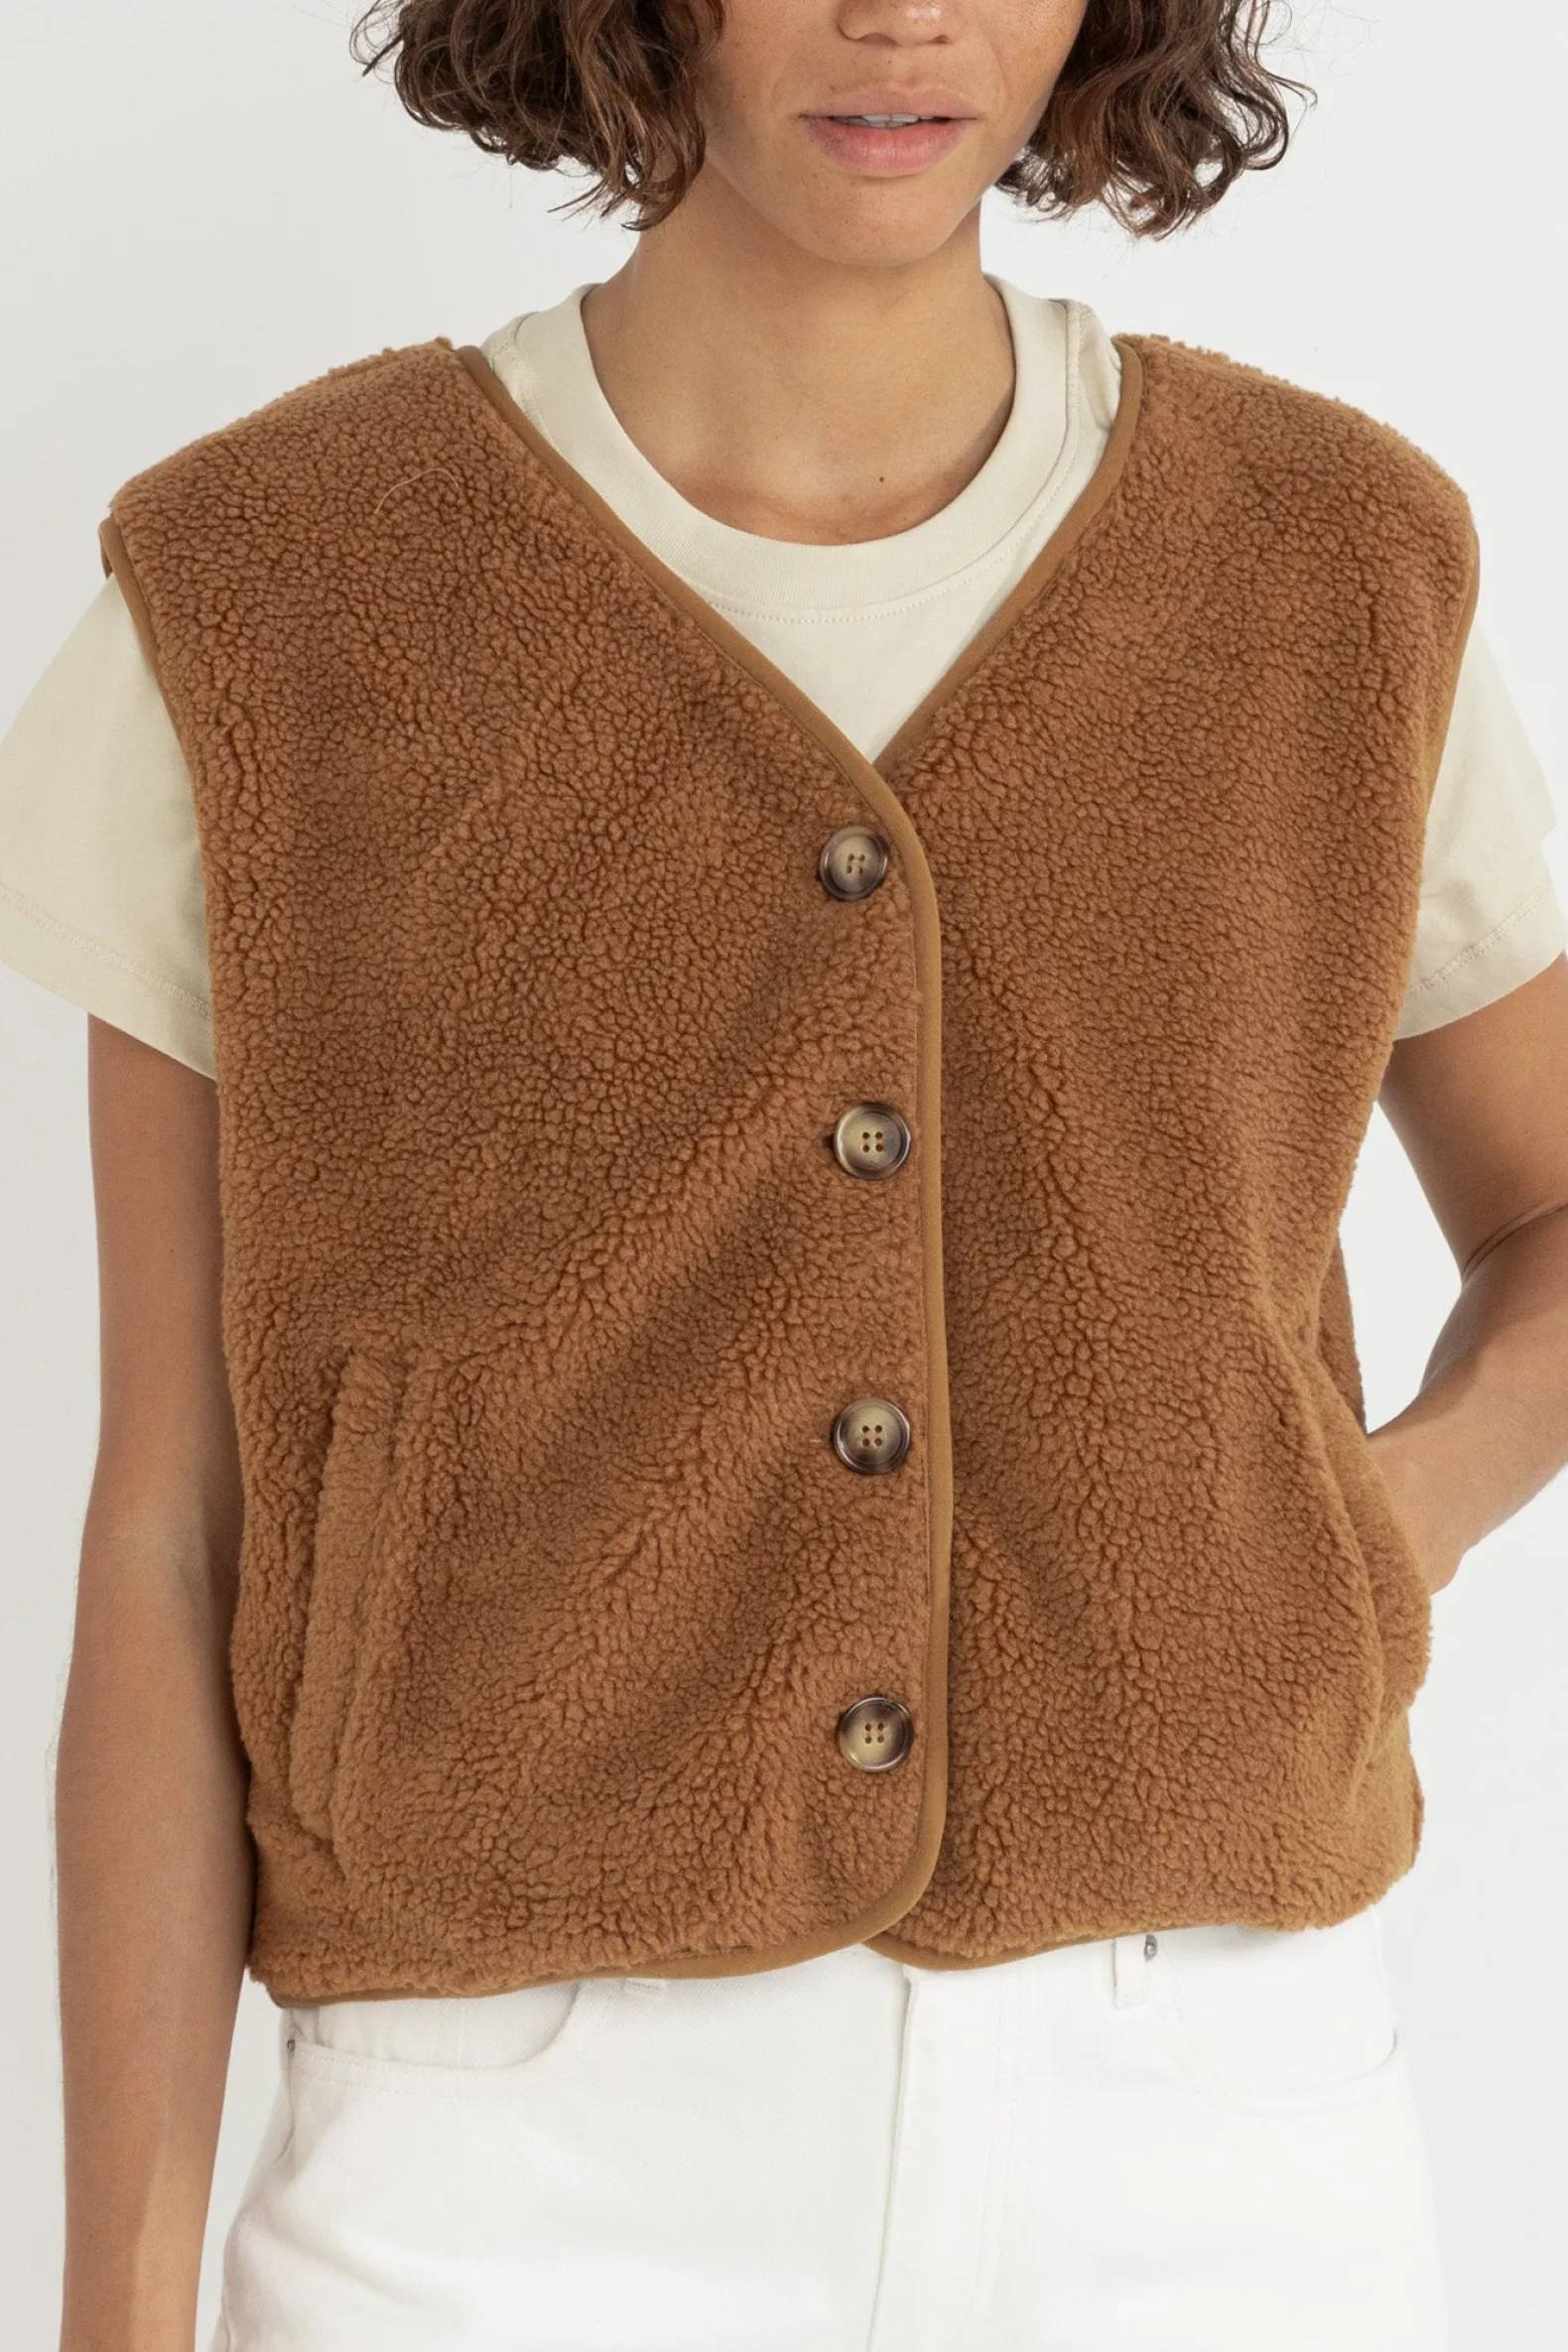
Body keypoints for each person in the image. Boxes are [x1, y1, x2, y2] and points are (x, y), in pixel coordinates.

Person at [3, 2, 1567, 2347]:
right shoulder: (264, 589)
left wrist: (1367, 1533)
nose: (900, 17)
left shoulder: (1332, 563)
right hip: (497, 2165)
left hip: (1209, 2127)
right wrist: (117, 2305)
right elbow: (169, 1521)